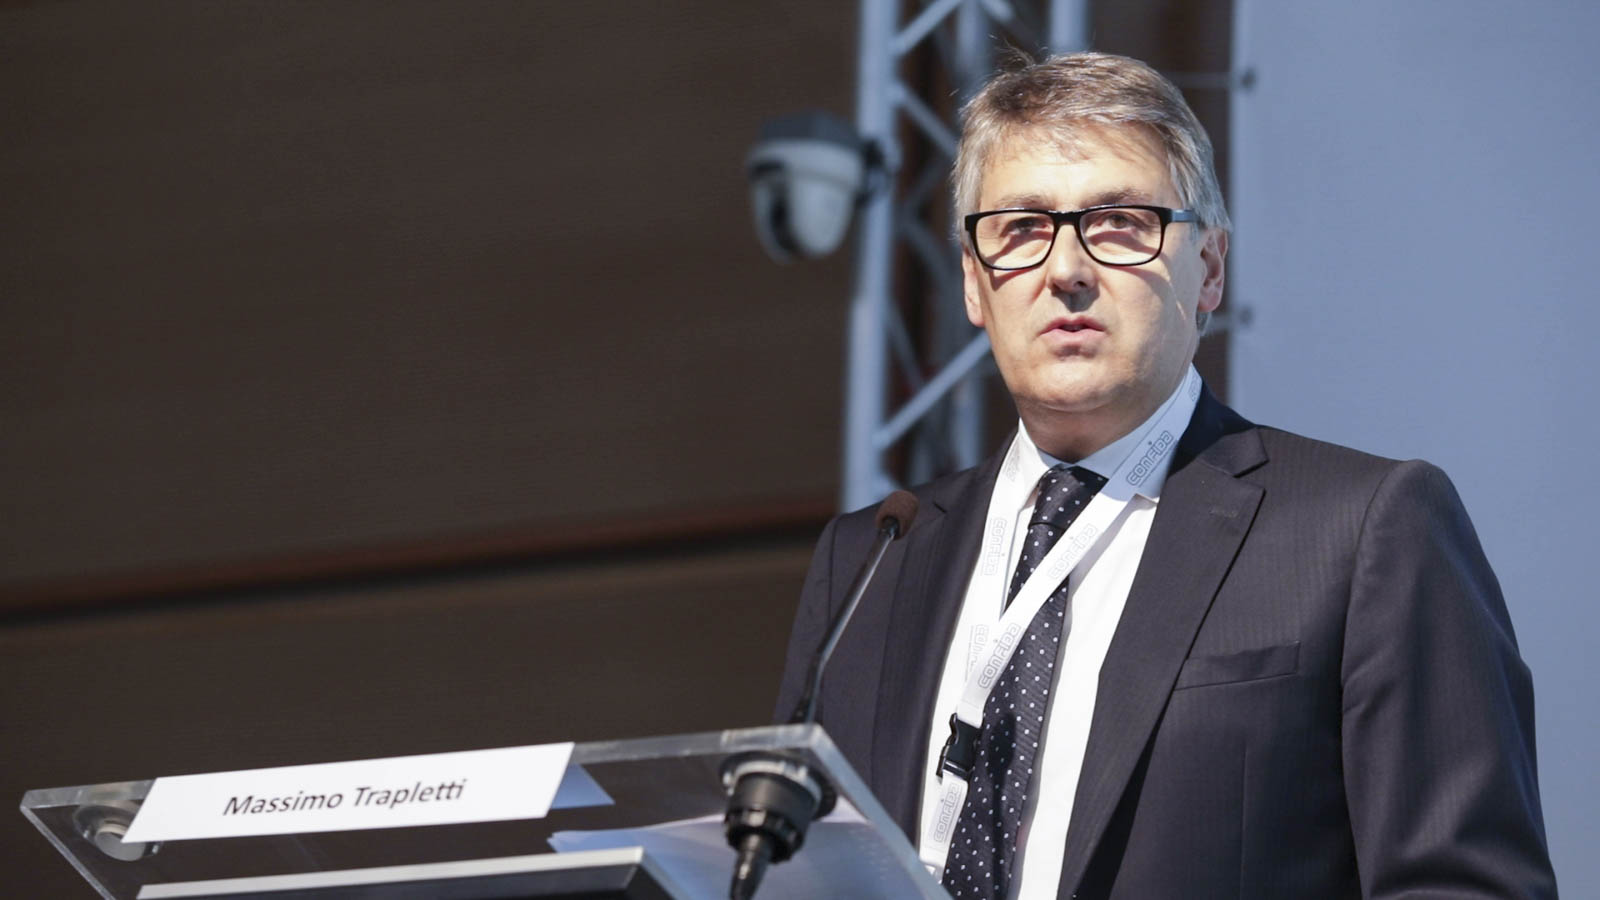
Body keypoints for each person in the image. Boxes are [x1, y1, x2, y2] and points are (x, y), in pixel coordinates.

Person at [774, 52, 1556, 899]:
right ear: (973, 282)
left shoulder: (1362, 528)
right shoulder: (872, 563)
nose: (1065, 270)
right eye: (1022, 228)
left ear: (1209, 269)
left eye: (1119, 222)